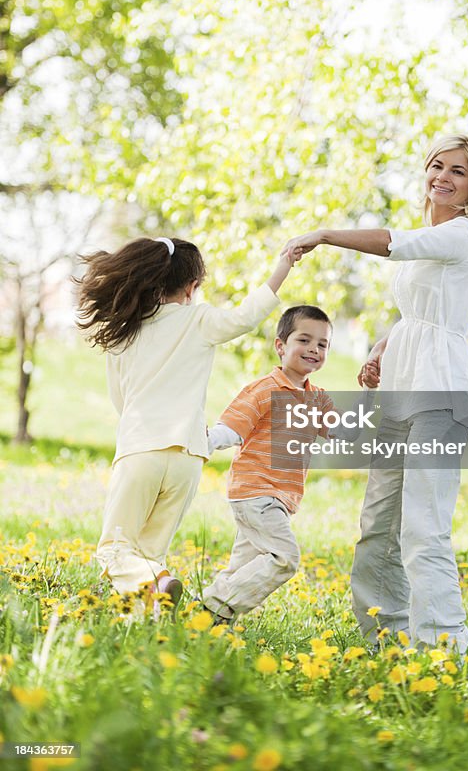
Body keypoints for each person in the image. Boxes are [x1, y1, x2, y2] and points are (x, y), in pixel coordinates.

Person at [283, 134, 468, 654]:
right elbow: (420, 314)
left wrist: (326, 235)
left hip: (441, 394)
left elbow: (394, 244)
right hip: (402, 388)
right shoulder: (434, 236)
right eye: (436, 165)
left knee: (424, 527)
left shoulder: (463, 236)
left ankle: (446, 648)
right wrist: (382, 348)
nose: (442, 177)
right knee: (379, 523)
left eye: (458, 171)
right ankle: (384, 638)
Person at [74, 235, 299, 610]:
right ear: (192, 287)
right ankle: (149, 620)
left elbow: (120, 399)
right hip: (188, 459)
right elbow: (247, 315)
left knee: (116, 551)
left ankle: (154, 582)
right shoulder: (199, 320)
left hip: (141, 449)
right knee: (150, 552)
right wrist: (283, 265)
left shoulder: (124, 330)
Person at [200, 305, 334, 623]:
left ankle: (209, 622)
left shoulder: (318, 399)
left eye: (322, 344)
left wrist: (370, 392)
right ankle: (214, 604)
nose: (314, 349)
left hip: (279, 499)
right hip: (256, 493)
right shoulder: (264, 390)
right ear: (281, 346)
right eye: (304, 340)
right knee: (284, 557)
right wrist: (205, 441)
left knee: (245, 565)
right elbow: (233, 427)